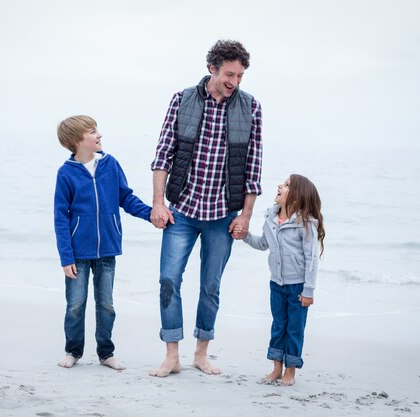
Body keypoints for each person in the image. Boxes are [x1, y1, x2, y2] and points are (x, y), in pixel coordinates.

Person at [149, 40, 263, 377]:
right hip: (181, 210)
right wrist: (158, 202)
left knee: (211, 286)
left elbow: (253, 167)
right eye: (229, 74)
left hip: (223, 214)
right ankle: (172, 355)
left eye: (240, 76)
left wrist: (246, 215)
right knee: (168, 280)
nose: (234, 81)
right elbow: (162, 155)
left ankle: (201, 353)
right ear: (212, 68)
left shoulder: (251, 107)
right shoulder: (182, 100)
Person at [53, 115, 152, 371]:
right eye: (93, 132)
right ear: (77, 140)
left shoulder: (110, 165)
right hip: (78, 254)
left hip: (107, 249)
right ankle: (73, 351)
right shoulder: (66, 173)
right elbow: (60, 218)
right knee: (75, 305)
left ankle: (105, 353)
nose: (99, 135)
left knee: (106, 304)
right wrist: (66, 258)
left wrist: (151, 214)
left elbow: (126, 198)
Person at [242, 174, 325, 386]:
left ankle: (290, 371)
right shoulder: (270, 218)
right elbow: (262, 244)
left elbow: (312, 259)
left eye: (287, 185)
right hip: (276, 284)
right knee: (278, 326)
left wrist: (309, 290)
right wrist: (244, 235)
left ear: (297, 197)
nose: (280, 185)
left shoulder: (305, 224)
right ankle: (276, 368)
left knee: (294, 328)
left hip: (298, 288)